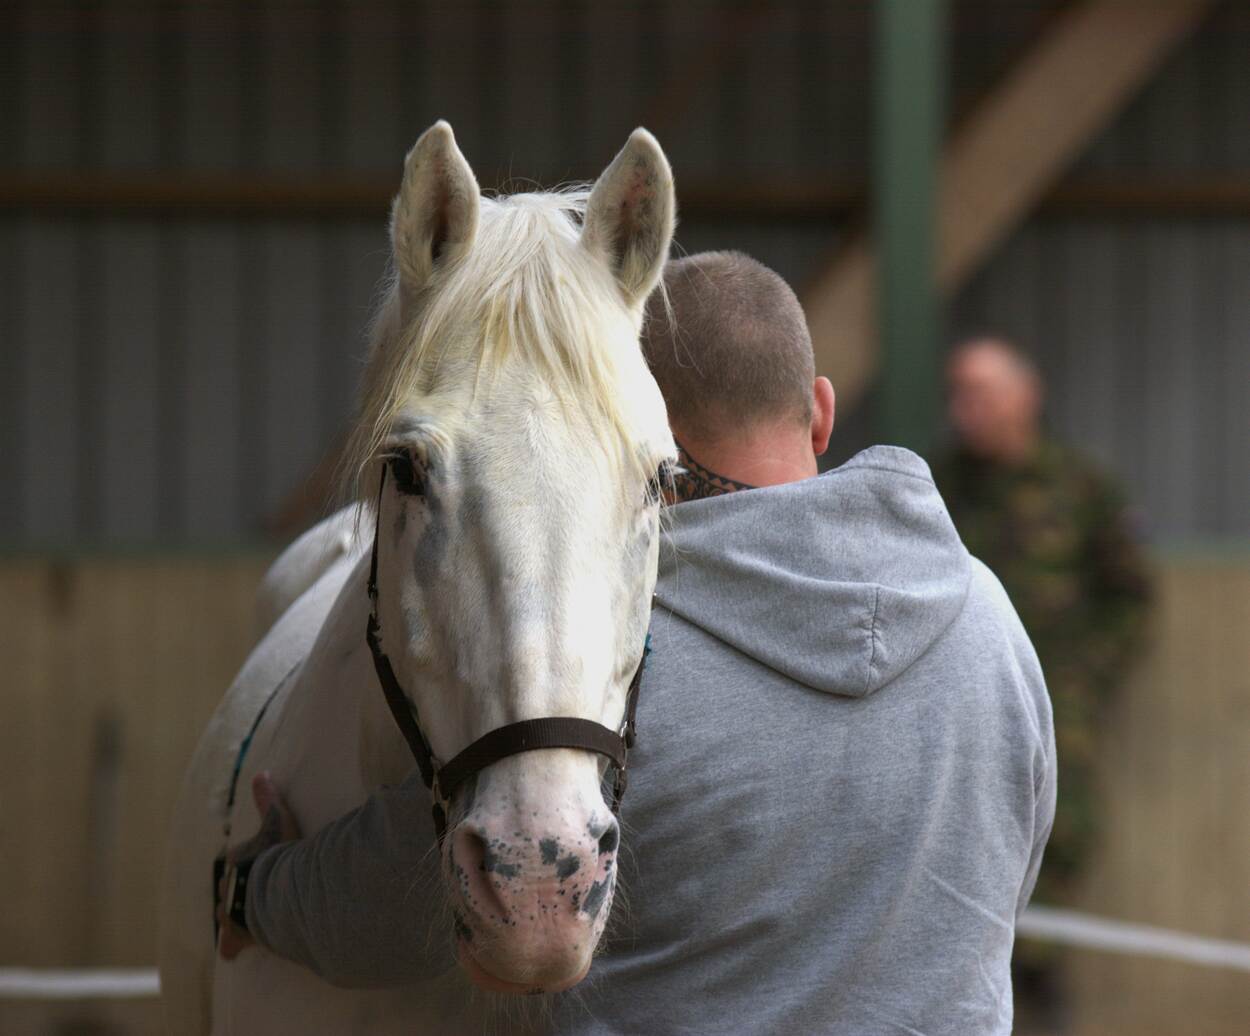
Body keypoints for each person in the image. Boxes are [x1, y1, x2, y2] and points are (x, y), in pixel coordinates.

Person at [221, 253, 1056, 1034]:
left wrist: (257, 889)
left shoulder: (609, 668)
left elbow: (389, 910)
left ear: (629, 429)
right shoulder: (990, 620)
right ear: (823, 411)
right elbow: (1009, 876)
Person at [932, 335, 1153, 1032]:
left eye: (985, 392)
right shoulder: (939, 490)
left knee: (1063, 827)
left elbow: (1131, 595)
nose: (970, 410)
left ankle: (1037, 967)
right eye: (960, 394)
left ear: (1027, 397)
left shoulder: (1080, 487)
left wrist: (1088, 677)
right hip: (959, 700)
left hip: (1060, 699)